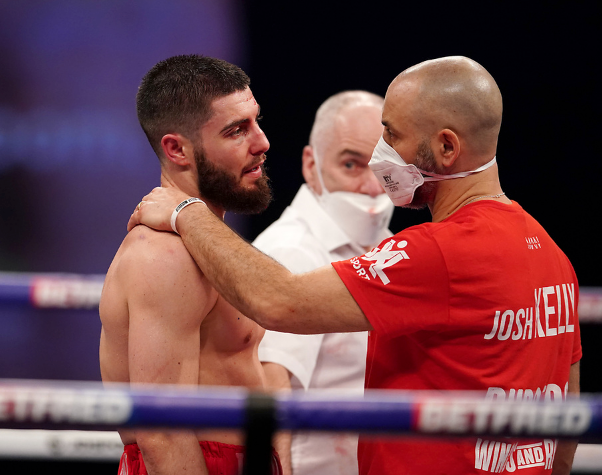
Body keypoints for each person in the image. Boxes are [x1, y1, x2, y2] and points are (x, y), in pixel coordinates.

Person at [129, 56, 581, 475]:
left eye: (393, 134)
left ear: (446, 148)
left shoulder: (438, 252)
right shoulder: (551, 254)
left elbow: (278, 301)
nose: (381, 153)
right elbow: (568, 412)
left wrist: (185, 210)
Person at [99, 54, 282, 475]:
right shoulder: (165, 256)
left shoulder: (207, 241)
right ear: (177, 149)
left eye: (256, 121)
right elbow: (163, 432)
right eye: (236, 130)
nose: (262, 142)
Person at [256, 90, 394, 475]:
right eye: (351, 165)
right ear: (311, 164)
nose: (371, 186)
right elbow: (269, 388)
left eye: (382, 168)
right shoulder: (290, 252)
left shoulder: (389, 250)